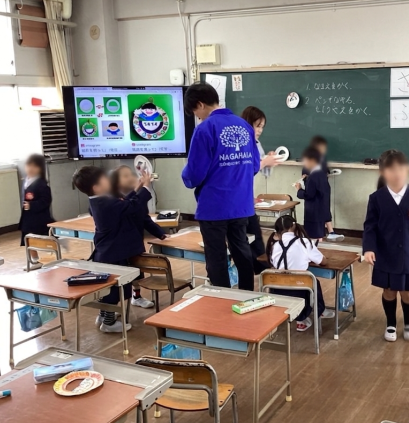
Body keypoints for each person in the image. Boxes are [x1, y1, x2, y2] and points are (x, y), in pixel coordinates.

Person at [181, 82, 260, 290]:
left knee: (216, 257)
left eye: (195, 112)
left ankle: (221, 300)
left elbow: (194, 174)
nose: (198, 117)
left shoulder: (204, 129)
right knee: (242, 251)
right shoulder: (244, 126)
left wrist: (185, 177)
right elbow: (254, 165)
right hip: (241, 204)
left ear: (200, 104)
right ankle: (247, 296)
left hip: (214, 206)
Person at [362, 150, 409, 342]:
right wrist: (368, 248)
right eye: (391, 169)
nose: (397, 173)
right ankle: (391, 324)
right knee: (389, 291)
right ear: (383, 172)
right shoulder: (376, 198)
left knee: (408, 292)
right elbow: (370, 226)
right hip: (385, 253)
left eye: (401, 168)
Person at [72, 165, 153, 332]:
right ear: (97, 187)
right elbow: (132, 206)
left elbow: (124, 203)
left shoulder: (100, 200)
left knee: (109, 288)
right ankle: (108, 324)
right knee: (114, 291)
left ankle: (104, 316)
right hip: (113, 253)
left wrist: (138, 187)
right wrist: (145, 187)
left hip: (107, 252)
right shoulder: (107, 203)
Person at [110, 165, 168, 308]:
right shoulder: (112, 199)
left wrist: (161, 234)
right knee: (119, 275)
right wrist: (145, 187)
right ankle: (110, 308)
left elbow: (145, 219)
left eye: (131, 174)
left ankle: (136, 296)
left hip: (135, 242)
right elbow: (127, 205)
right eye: (125, 176)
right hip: (119, 246)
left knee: (137, 270)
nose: (131, 177)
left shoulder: (137, 197)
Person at [266, 215, 334, 332]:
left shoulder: (275, 246)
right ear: (294, 226)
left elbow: (275, 264)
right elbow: (323, 262)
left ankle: (301, 320)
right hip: (301, 289)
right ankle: (318, 310)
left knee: (303, 280)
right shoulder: (304, 242)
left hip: (279, 290)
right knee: (313, 281)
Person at [240, 106, 282, 274]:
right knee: (244, 240)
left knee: (256, 239)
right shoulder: (240, 142)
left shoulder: (256, 143)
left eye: (262, 127)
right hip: (238, 201)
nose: (260, 130)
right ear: (247, 122)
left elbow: (260, 168)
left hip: (247, 199)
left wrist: (268, 160)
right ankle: (255, 272)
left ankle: (263, 272)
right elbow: (245, 169)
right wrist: (264, 162)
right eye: (257, 125)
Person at [302, 135, 344, 241]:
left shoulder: (322, 158)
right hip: (315, 190)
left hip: (323, 188)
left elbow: (324, 171)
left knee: (325, 209)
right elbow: (305, 175)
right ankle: (326, 233)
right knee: (320, 211)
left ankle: (330, 232)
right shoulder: (310, 159)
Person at [19, 154, 54, 268]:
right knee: (28, 239)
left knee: (41, 239)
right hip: (27, 218)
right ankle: (34, 261)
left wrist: (32, 205)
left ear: (40, 168)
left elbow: (46, 201)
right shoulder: (26, 181)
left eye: (35, 166)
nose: (31, 169)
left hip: (39, 218)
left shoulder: (41, 184)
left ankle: (56, 252)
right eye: (28, 165)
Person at [295, 147, 332, 242]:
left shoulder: (313, 177)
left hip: (313, 211)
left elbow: (309, 195)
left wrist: (299, 190)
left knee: (313, 237)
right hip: (320, 209)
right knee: (319, 235)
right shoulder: (321, 172)